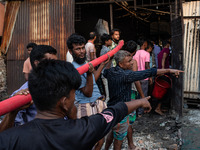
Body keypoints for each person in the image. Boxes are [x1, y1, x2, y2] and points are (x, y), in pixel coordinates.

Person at [0, 59, 152, 150]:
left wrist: (12, 112)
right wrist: (141, 101)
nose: (74, 99)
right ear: (64, 102)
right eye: (73, 94)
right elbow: (115, 111)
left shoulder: (11, 138)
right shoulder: (83, 130)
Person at [104, 50, 183, 150]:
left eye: (131, 60)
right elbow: (148, 72)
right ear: (120, 64)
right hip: (121, 112)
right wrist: (169, 70)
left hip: (112, 108)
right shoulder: (126, 75)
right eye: (129, 61)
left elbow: (105, 72)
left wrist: (109, 61)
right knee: (119, 140)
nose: (132, 62)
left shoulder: (111, 72)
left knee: (113, 131)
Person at [67, 34, 109, 150]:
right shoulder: (74, 69)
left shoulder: (84, 62)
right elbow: (87, 92)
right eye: (77, 49)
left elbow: (92, 81)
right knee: (90, 142)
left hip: (96, 103)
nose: (81, 51)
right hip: (86, 106)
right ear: (70, 51)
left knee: (100, 140)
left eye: (82, 47)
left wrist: (102, 65)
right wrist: (90, 73)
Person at [13, 45, 58, 126]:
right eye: (51, 63)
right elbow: (15, 125)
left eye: (56, 63)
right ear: (37, 64)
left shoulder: (58, 86)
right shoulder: (22, 94)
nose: (56, 66)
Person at [133, 38, 150, 116]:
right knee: (143, 94)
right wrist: (150, 76)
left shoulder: (135, 53)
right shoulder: (146, 54)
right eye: (146, 43)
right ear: (144, 44)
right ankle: (141, 112)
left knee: (137, 94)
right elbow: (147, 65)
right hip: (144, 77)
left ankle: (135, 111)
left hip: (136, 76)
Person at [155, 40, 171, 115]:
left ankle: (160, 107)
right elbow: (163, 59)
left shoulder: (160, 52)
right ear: (167, 45)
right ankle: (158, 108)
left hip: (160, 72)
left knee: (160, 90)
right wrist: (164, 70)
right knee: (163, 91)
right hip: (164, 73)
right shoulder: (166, 50)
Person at [100, 33, 112, 103]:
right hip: (105, 73)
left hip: (106, 73)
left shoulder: (104, 49)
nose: (111, 41)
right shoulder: (106, 50)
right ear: (106, 41)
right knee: (108, 95)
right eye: (110, 40)